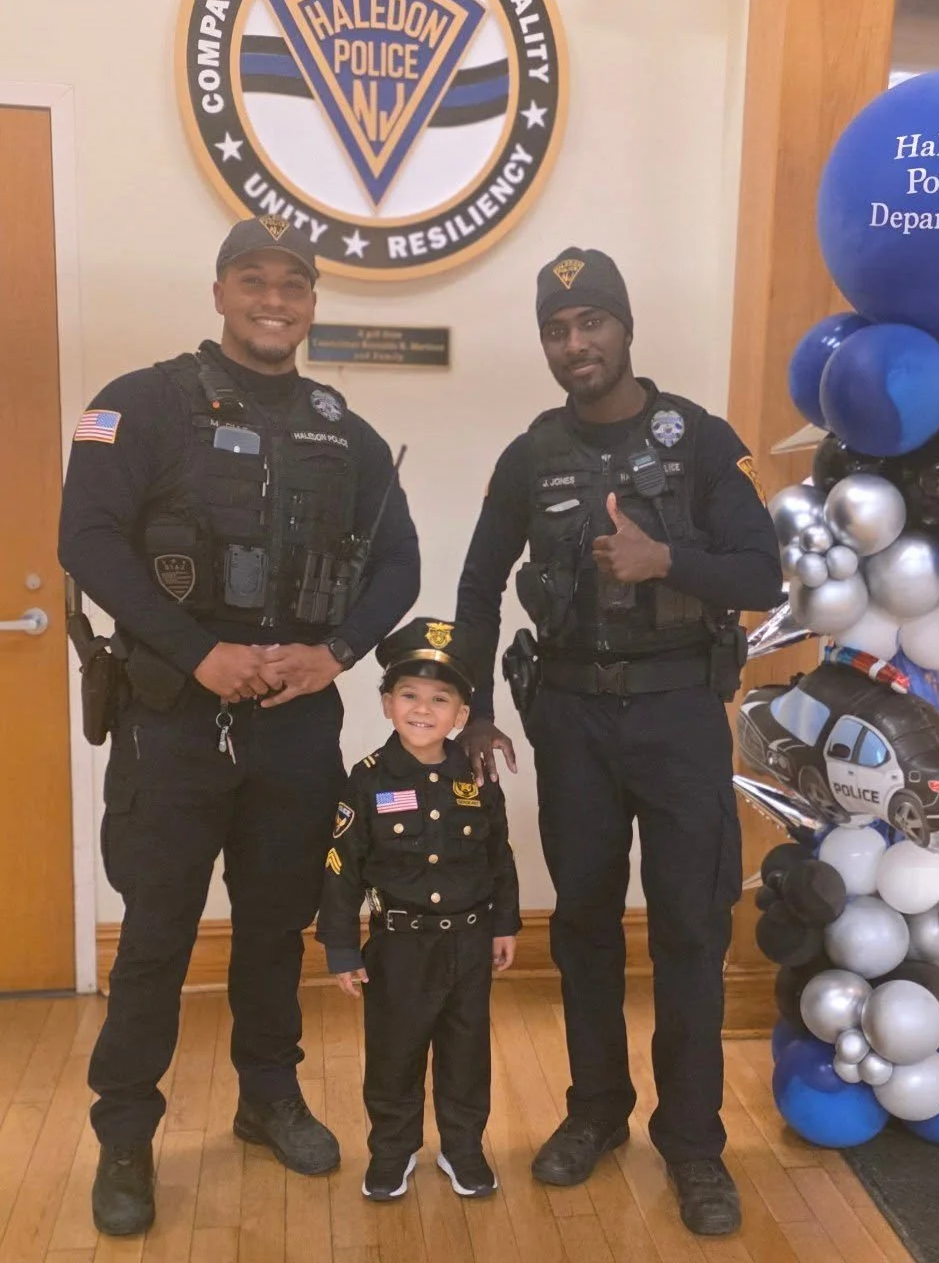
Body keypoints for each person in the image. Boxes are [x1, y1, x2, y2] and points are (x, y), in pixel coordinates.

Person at [58, 215, 420, 1237]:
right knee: (157, 940)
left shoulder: (339, 427)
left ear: (311, 303)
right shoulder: (139, 405)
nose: (275, 300)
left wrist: (336, 650)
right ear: (220, 291)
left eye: (294, 285)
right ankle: (125, 1137)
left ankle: (269, 1098)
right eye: (254, 280)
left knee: (274, 928)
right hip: (173, 720)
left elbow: (400, 562)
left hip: (294, 727)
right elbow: (85, 540)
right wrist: (196, 652)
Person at [454, 247, 783, 1237]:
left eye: (591, 322)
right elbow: (477, 585)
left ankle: (693, 1143)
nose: (574, 343)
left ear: (624, 329)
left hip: (680, 712)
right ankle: (596, 1111)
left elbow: (764, 573)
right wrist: (475, 709)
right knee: (585, 926)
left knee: (690, 929)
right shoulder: (531, 455)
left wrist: (665, 558)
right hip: (572, 720)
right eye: (557, 330)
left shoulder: (698, 440)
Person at [316, 617, 520, 1201]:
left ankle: (463, 1149)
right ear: (387, 704)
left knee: (465, 1053)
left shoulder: (476, 776)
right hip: (398, 947)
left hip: (470, 943)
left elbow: (498, 855)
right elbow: (341, 867)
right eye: (409, 695)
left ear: (461, 714)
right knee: (394, 1054)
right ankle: (392, 1152)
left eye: (440, 698)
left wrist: (505, 923)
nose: (423, 709)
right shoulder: (367, 780)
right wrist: (341, 947)